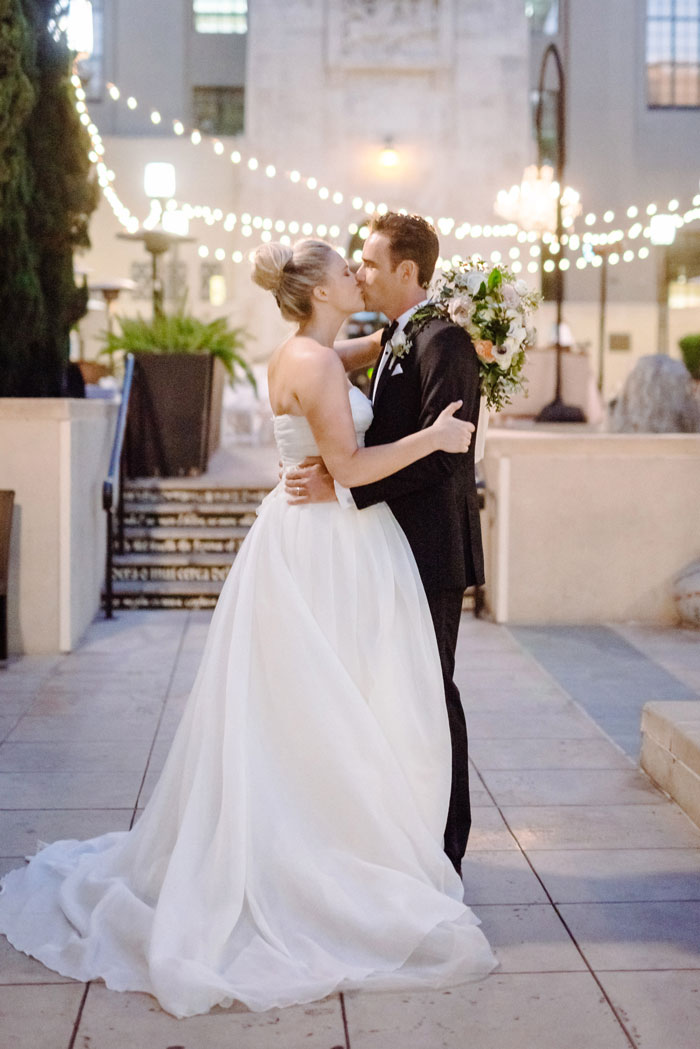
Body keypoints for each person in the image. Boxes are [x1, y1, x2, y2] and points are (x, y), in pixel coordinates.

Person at [0, 238, 496, 1019]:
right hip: (328, 541)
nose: (355, 275)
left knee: (314, 702)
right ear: (319, 292)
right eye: (345, 270)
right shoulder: (319, 365)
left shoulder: (311, 349)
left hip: (305, 536)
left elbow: (376, 348)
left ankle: (339, 837)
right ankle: (322, 855)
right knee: (337, 701)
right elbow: (354, 467)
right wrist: (434, 439)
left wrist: (447, 330)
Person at [285, 212, 483, 876]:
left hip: (429, 549)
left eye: (368, 263)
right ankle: (401, 833)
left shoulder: (445, 342)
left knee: (434, 691)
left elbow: (443, 459)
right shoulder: (396, 336)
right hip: (384, 548)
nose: (360, 272)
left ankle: (446, 848)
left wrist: (343, 487)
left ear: (406, 270)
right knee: (396, 693)